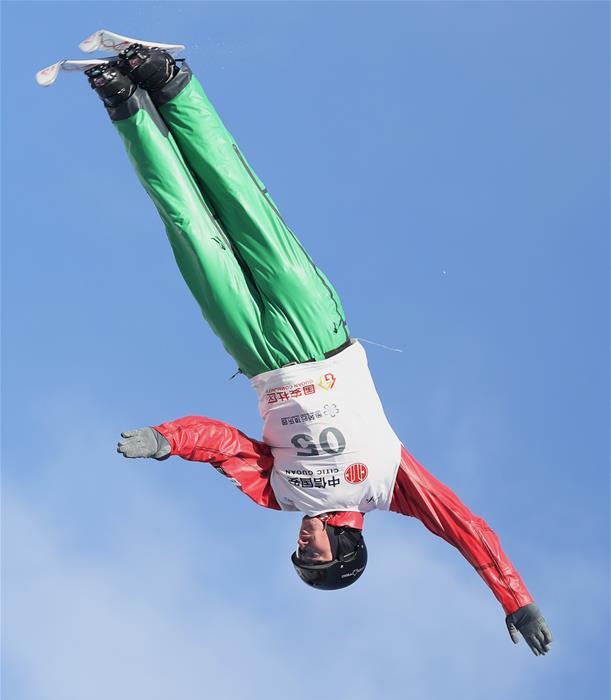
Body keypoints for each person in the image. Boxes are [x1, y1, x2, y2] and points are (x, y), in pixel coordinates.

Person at [84, 44, 551, 654]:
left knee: (190, 230)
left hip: (256, 353)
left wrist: (166, 440)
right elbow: (465, 529)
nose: (303, 546)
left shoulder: (278, 494)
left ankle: (125, 104)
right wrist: (516, 599)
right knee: (245, 209)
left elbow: (223, 445)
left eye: (299, 556)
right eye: (315, 556)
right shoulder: (386, 485)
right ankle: (170, 84)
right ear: (347, 550)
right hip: (319, 334)